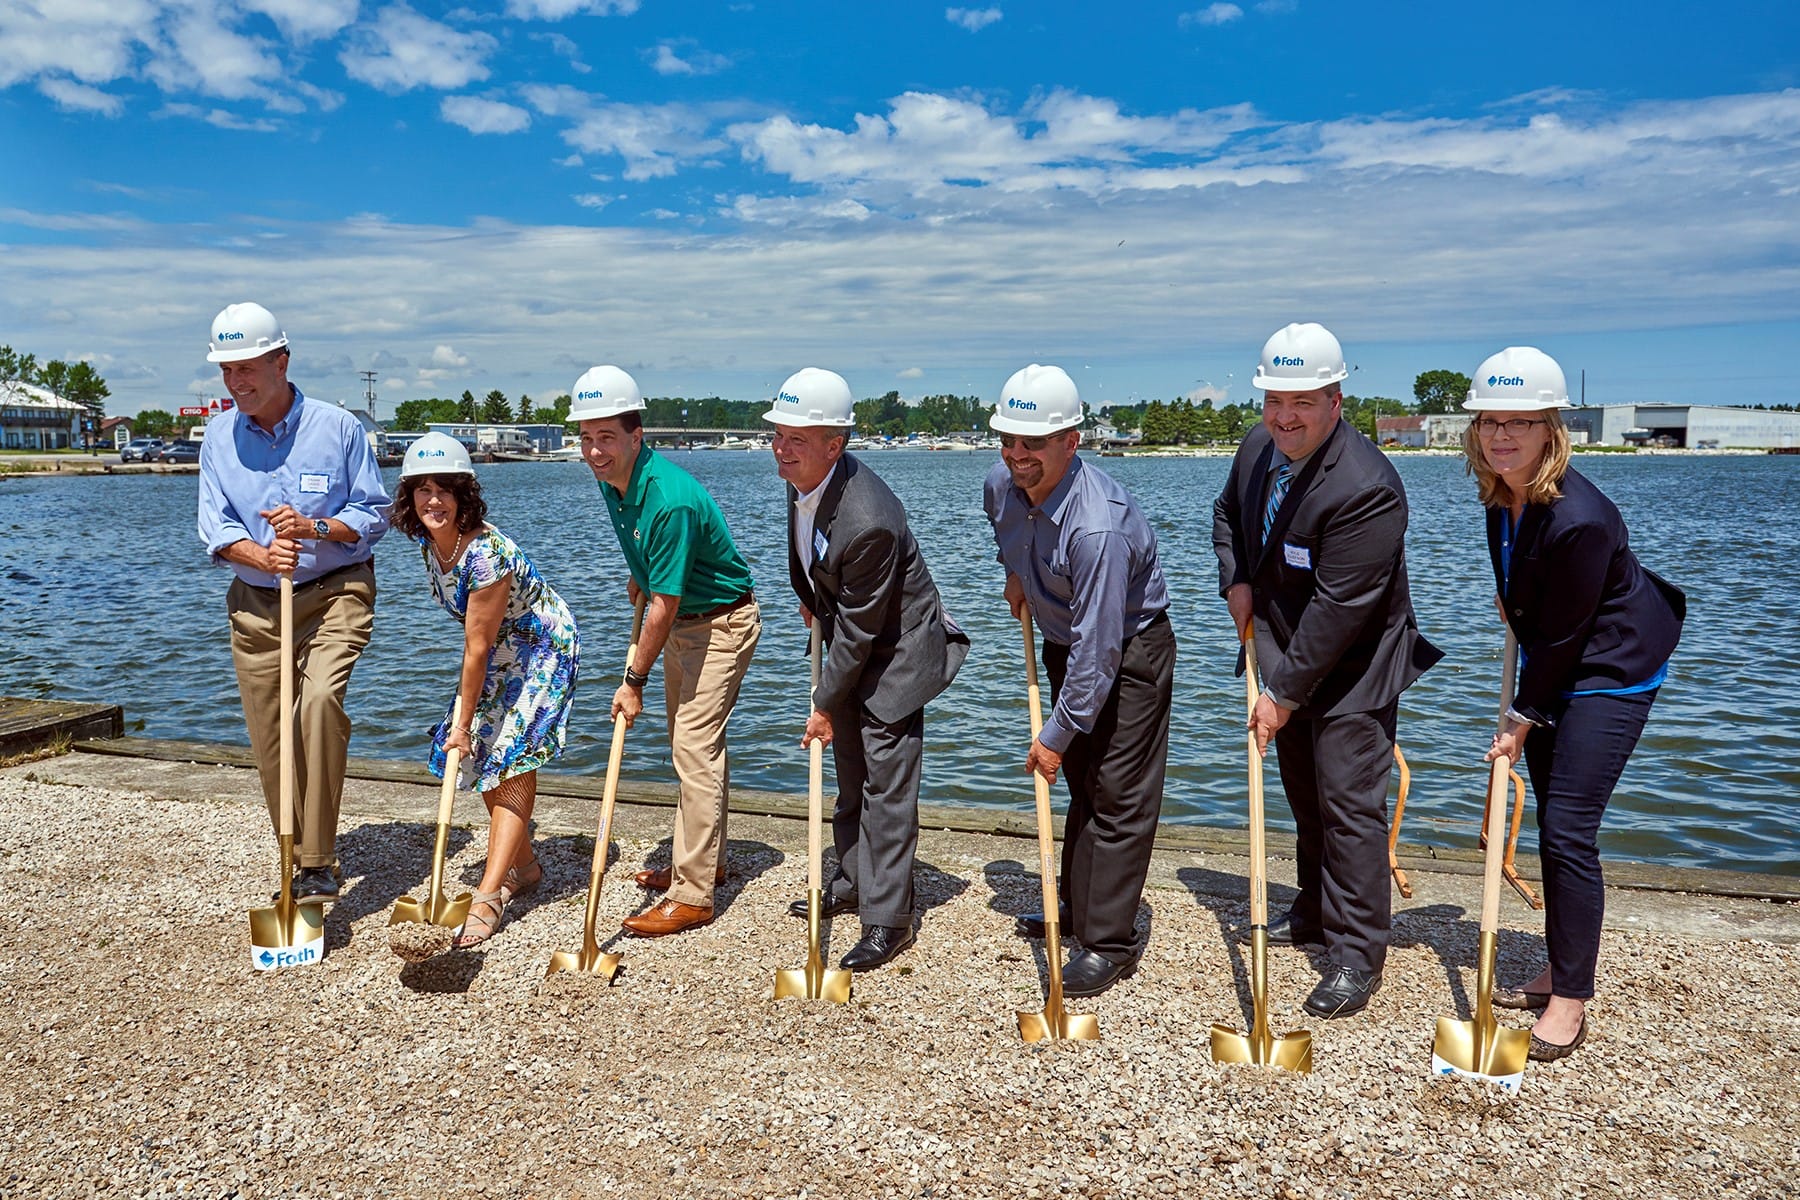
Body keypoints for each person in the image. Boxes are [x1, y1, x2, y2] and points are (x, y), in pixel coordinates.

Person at [1211, 322, 1441, 1018]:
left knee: (1349, 812)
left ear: (1336, 399)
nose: (1284, 416)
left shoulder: (1368, 486)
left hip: (1353, 669)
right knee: (1307, 800)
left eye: (1302, 402)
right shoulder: (1259, 449)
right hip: (1282, 648)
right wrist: (1237, 582)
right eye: (1274, 399)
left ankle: (1355, 954)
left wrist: (1280, 695)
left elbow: (1343, 607)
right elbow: (1227, 515)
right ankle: (1311, 911)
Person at [1460, 347, 1684, 1061]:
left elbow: (1565, 640)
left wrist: (1521, 721)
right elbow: (1532, 598)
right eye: (1492, 422)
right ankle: (1564, 959)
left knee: (1566, 830)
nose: (1502, 437)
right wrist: (1511, 598)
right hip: (1557, 657)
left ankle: (1570, 999)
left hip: (1610, 670)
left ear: (1551, 430)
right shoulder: (1502, 491)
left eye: (1520, 424)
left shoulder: (1579, 515)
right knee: (1557, 821)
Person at [764, 368, 970, 971]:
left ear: (836, 445)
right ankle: (854, 880)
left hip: (899, 653)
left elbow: (859, 631)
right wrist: (811, 593)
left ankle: (889, 919)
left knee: (886, 786)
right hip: (856, 637)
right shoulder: (801, 477)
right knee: (851, 773)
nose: (781, 447)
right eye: (778, 433)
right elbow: (813, 558)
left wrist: (823, 704)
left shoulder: (870, 517)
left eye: (797, 438)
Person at [984, 364, 1176, 997]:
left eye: (1032, 443)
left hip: (1130, 652)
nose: (1017, 456)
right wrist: (1020, 573)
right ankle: (1076, 910)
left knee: (1117, 796)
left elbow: (1102, 651)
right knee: (1082, 789)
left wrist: (1055, 732)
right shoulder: (1000, 484)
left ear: (1072, 440)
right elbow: (1007, 531)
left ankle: (1108, 942)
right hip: (1066, 640)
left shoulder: (1098, 528)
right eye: (1008, 440)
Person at [195, 302, 390, 904]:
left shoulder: (338, 427)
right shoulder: (217, 437)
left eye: (248, 367)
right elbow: (216, 531)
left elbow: (375, 514)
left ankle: (317, 860)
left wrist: (316, 529)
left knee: (320, 702)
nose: (237, 382)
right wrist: (260, 555)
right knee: (272, 734)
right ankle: (291, 852)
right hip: (256, 603)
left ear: (282, 361)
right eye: (227, 370)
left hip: (338, 590)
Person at [573, 365, 762, 937]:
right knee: (693, 746)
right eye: (586, 437)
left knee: (693, 748)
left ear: (637, 436)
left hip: (721, 624)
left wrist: (631, 679)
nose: (595, 451)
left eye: (607, 437)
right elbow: (656, 578)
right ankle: (705, 861)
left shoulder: (669, 499)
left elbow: (665, 604)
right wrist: (646, 571)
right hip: (685, 622)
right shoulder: (614, 482)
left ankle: (694, 894)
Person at [390, 433, 581, 947]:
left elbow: (475, 648)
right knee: (478, 757)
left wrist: (462, 722)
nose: (433, 500)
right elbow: (478, 641)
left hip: (542, 646)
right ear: (408, 497)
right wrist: (464, 726)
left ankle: (490, 894)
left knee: (510, 756)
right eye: (421, 490)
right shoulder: (435, 545)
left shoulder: (485, 555)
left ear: (464, 495)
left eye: (444, 489)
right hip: (499, 646)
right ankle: (525, 866)